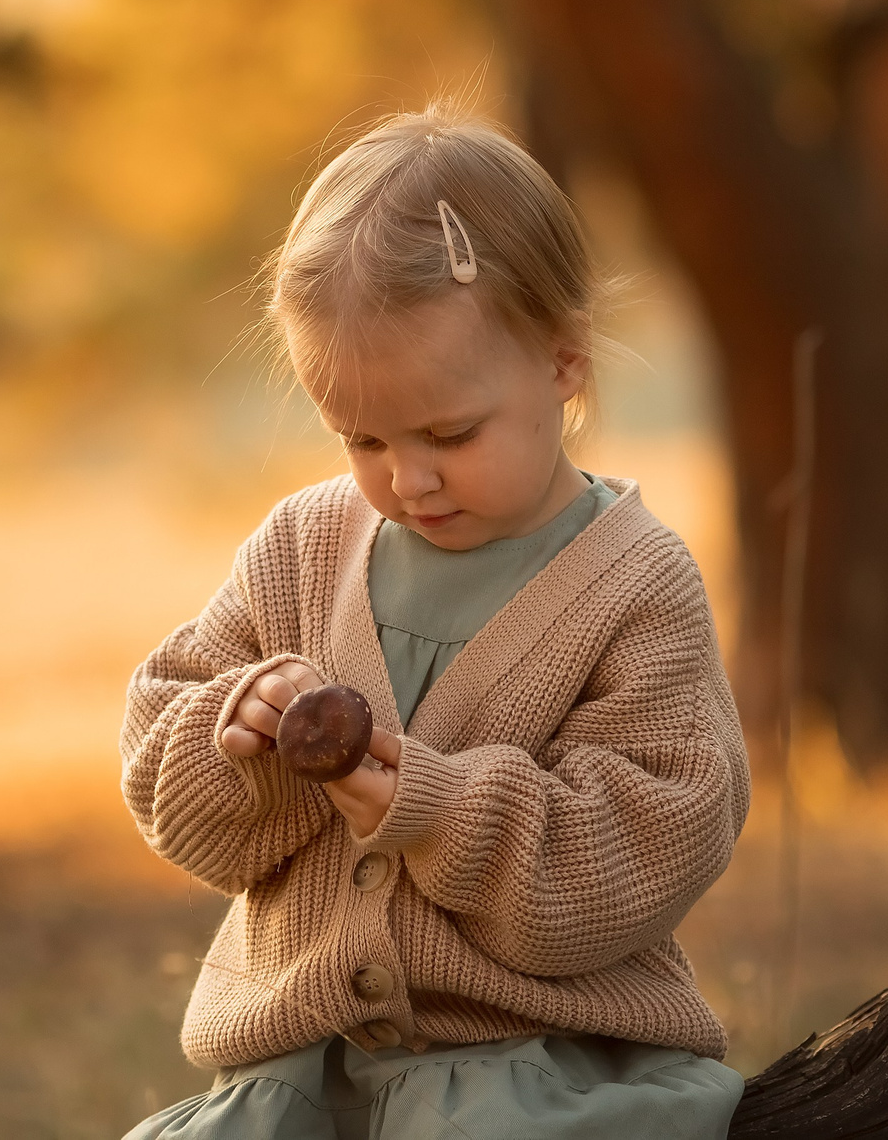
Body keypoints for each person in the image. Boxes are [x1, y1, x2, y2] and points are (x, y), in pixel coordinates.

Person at [119, 106, 751, 1140]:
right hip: (298, 1075)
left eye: (448, 433)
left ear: (561, 363)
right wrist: (235, 735)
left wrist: (434, 806)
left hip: (526, 1066)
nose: (406, 478)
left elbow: (643, 848)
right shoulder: (301, 549)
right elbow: (164, 770)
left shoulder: (634, 586)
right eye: (360, 437)